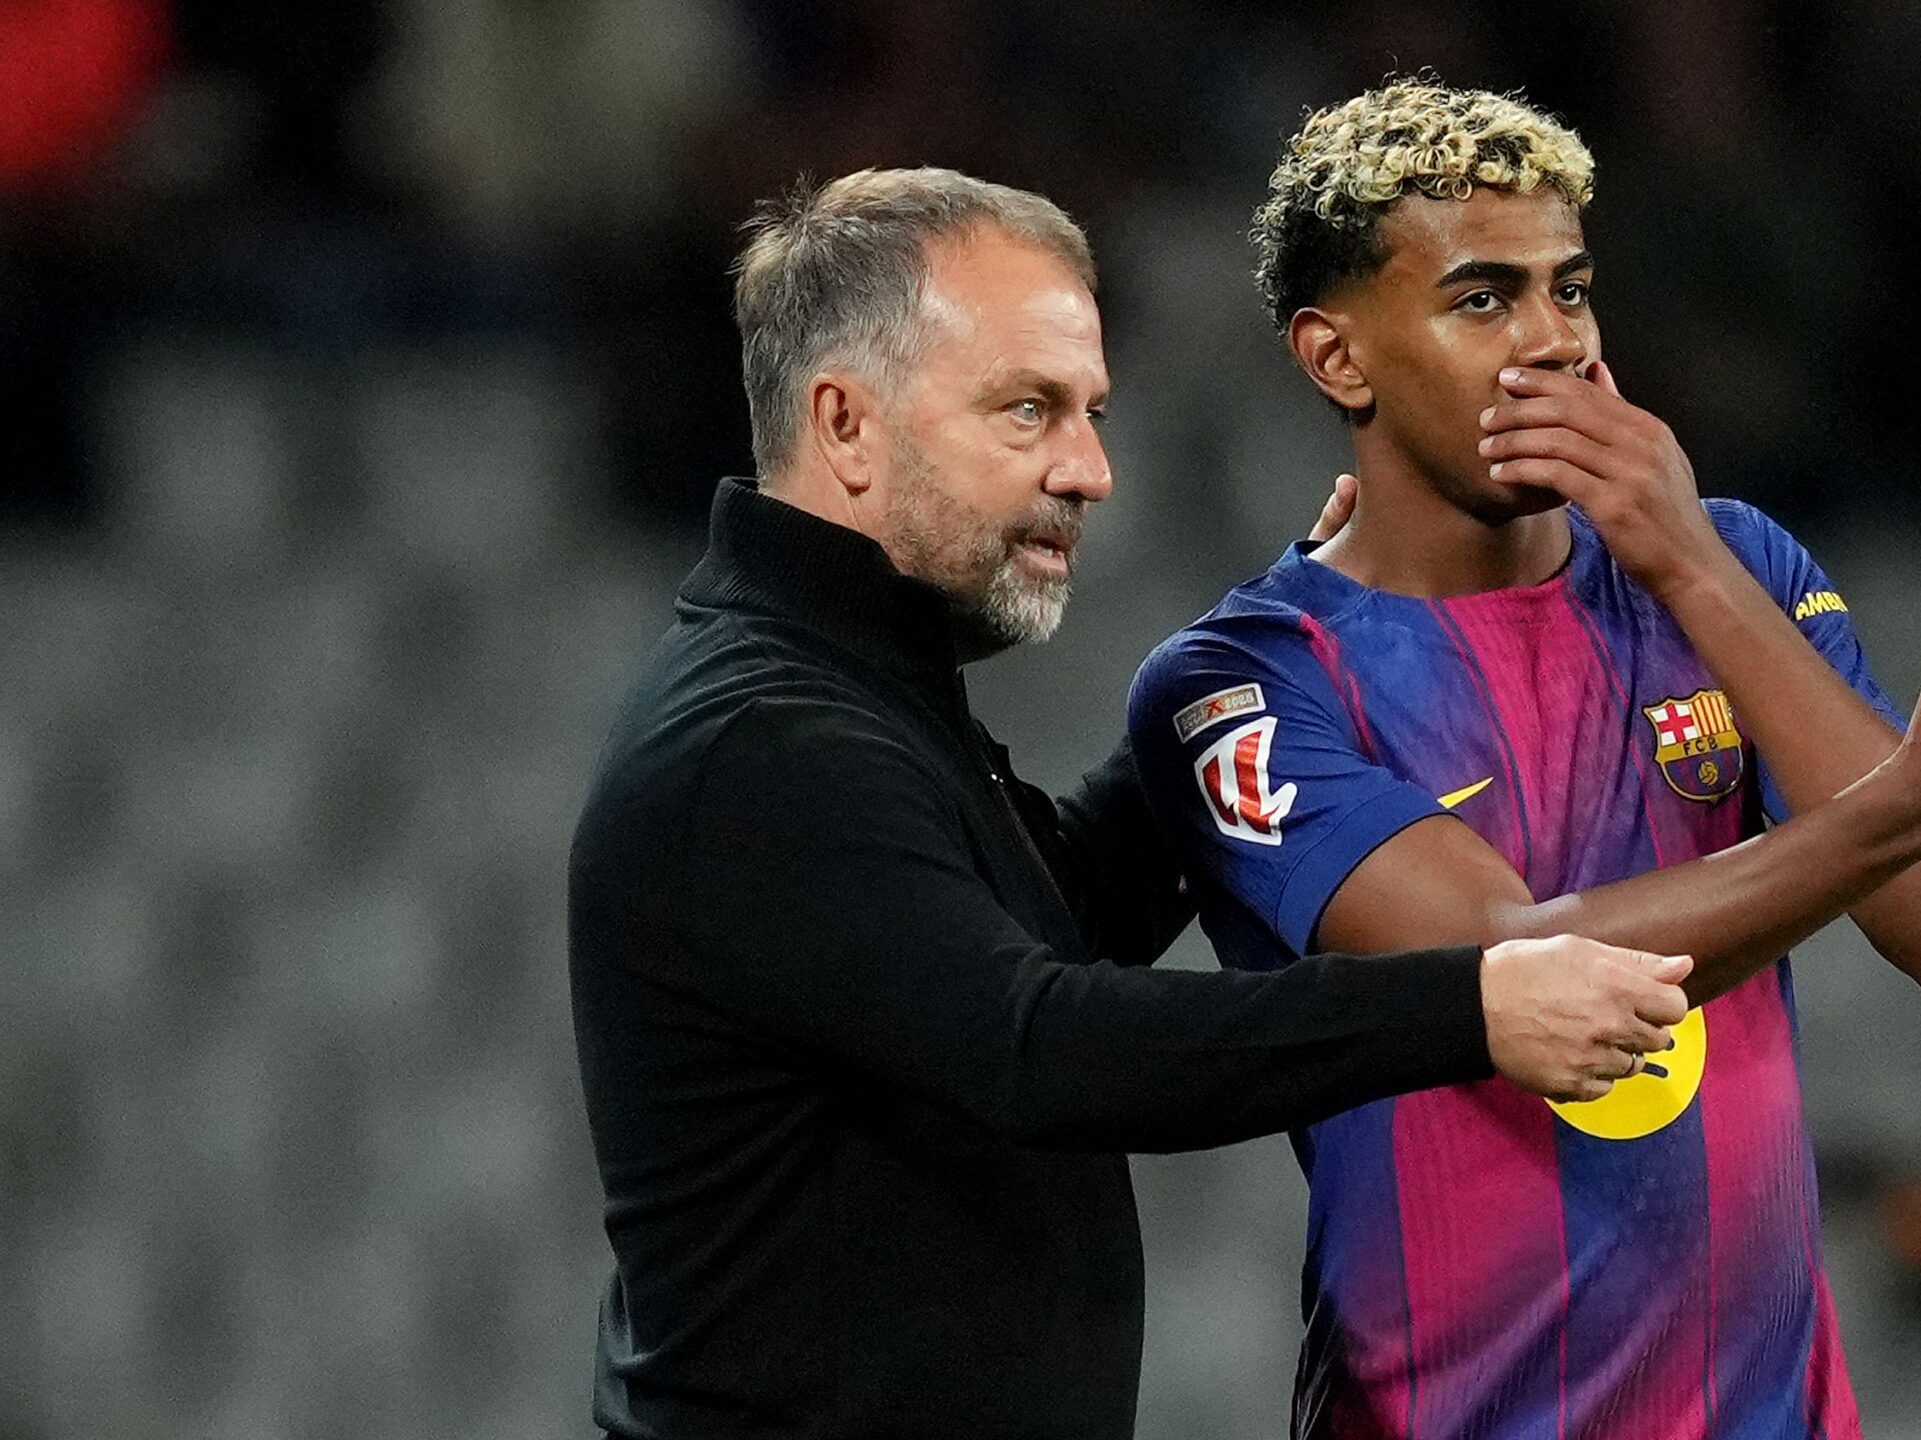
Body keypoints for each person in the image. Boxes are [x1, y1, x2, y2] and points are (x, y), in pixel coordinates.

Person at [566, 168, 1699, 1440]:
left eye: (1092, 411)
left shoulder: (854, 687)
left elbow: (1059, 919)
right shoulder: (762, 742)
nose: (1092, 469)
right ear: (845, 423)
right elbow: (1043, 1046)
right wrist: (1472, 1005)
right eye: (1029, 410)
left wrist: (1286, 640)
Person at [1126, 82, 1921, 1438]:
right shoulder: (1246, 685)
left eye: (1569, 291)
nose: (1553, 342)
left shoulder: (1732, 562)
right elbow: (1511, 972)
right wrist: (1918, 798)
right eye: (1482, 299)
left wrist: (1686, 563)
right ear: (1338, 359)